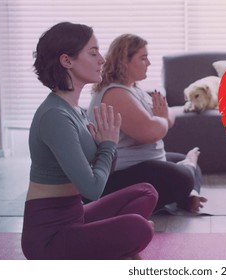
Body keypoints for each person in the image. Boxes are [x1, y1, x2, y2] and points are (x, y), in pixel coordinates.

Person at [21, 22, 158, 260]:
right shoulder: (55, 116)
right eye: (93, 53)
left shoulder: (74, 109)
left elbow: (101, 172)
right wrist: (108, 146)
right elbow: (92, 190)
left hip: (76, 216)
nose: (102, 60)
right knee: (140, 228)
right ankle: (115, 242)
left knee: (147, 192)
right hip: (49, 237)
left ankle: (107, 243)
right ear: (67, 61)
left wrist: (106, 146)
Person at [87, 34, 207, 213]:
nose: (149, 63)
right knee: (184, 174)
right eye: (143, 58)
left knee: (184, 159)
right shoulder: (115, 94)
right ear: (123, 62)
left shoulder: (133, 89)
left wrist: (162, 119)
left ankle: (189, 195)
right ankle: (187, 179)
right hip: (120, 175)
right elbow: (151, 132)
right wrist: (162, 119)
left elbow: (167, 115)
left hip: (145, 163)